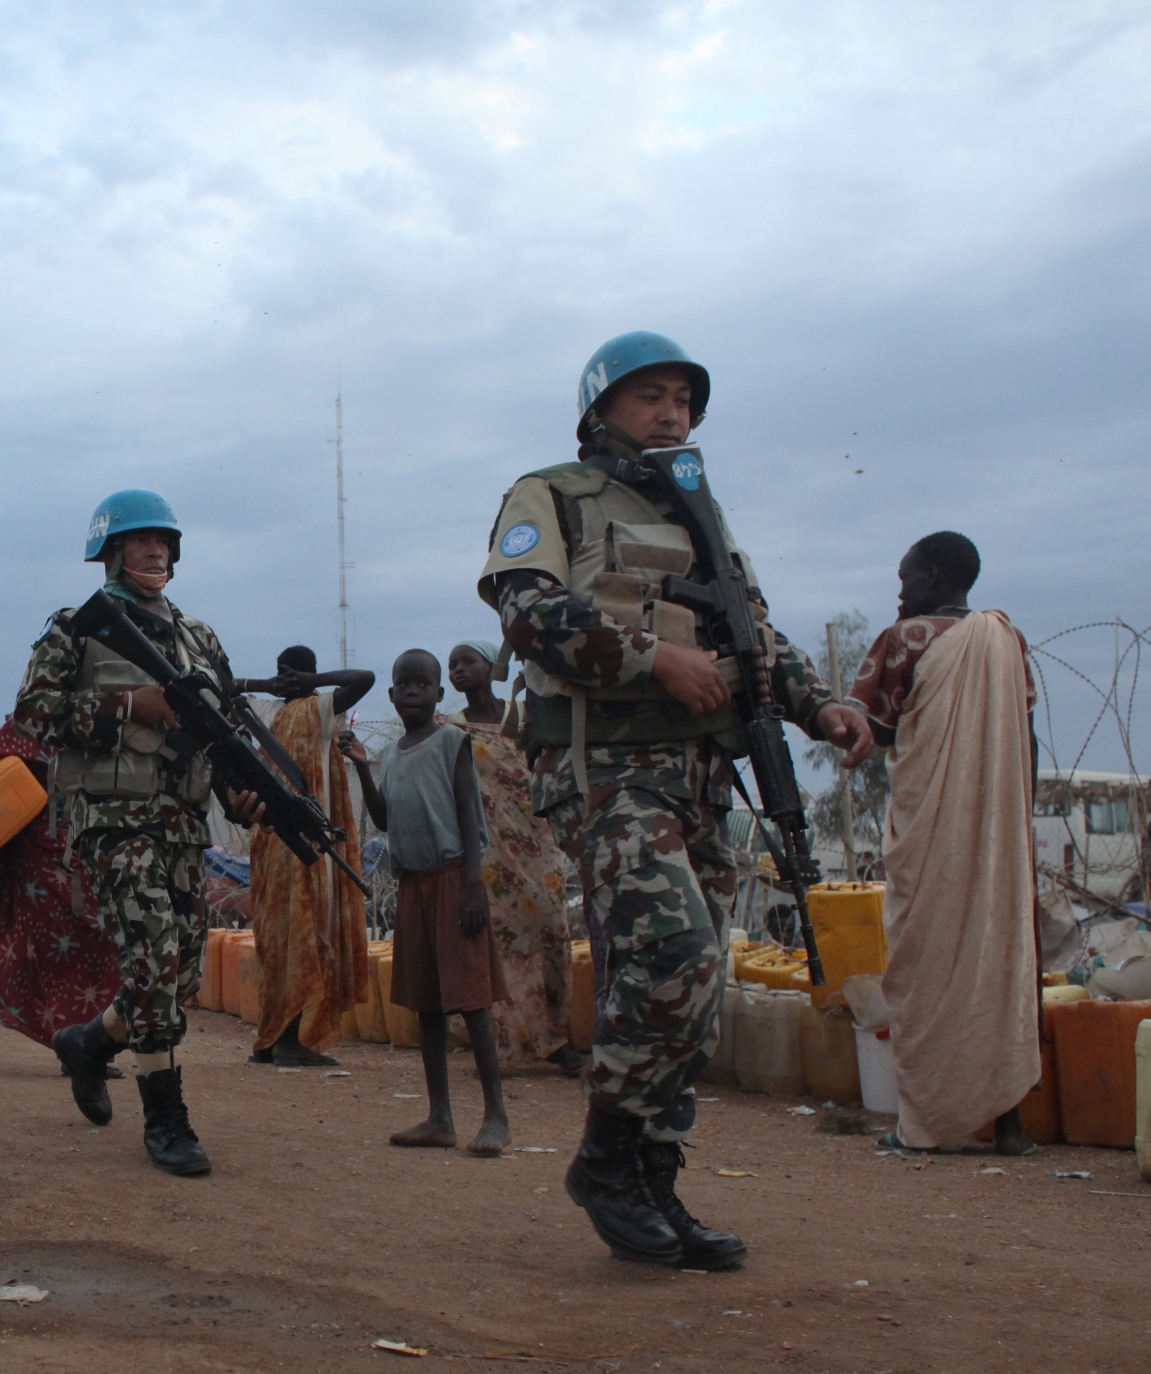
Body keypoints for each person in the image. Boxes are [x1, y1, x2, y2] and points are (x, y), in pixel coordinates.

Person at [478, 331, 872, 1269]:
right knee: (674, 951)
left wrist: (822, 706)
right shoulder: (551, 496)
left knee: (695, 990)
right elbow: (527, 612)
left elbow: (753, 630)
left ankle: (654, 1177)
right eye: (651, 397)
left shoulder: (702, 513)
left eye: (684, 401)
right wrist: (659, 659)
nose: (673, 415)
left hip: (701, 777)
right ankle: (606, 1162)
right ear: (600, 412)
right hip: (607, 769)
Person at [16, 489, 261, 1178]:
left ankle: (90, 1043)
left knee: (177, 972)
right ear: (110, 552)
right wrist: (130, 706)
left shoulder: (200, 638)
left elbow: (220, 735)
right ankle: (166, 1117)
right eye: (139, 541)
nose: (155, 552)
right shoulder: (78, 627)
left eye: (164, 542)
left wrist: (239, 792)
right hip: (113, 821)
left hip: (182, 824)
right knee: (152, 955)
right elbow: (34, 714)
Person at [850, 532, 1040, 1156]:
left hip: (930, 832)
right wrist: (1014, 813)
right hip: (999, 830)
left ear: (932, 574)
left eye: (905, 575)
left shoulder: (904, 640)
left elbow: (872, 733)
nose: (899, 588)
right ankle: (1009, 1128)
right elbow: (1025, 735)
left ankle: (922, 1122)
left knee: (925, 963)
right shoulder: (1004, 640)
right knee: (998, 957)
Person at [343, 651, 512, 1155]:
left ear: (440, 694)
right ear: (392, 695)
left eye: (423, 683)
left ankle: (496, 1116)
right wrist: (363, 770)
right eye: (404, 684)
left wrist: (472, 885)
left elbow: (467, 814)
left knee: (473, 1001)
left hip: (453, 880)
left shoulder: (451, 742)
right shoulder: (391, 754)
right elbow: (386, 820)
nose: (413, 691)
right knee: (427, 1006)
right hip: (413, 885)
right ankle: (440, 1116)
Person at [0, 721, 122, 1057]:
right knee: (80, 940)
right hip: (43, 850)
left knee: (65, 945)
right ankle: (77, 1043)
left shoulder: (99, 719)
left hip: (83, 847)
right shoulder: (41, 716)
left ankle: (71, 1041)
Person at [443, 641, 583, 1075]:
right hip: (484, 851)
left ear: (492, 665)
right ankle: (504, 1042)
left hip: (537, 842)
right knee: (495, 944)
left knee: (549, 933)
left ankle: (554, 1038)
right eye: (453, 665)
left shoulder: (524, 717)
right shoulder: (449, 729)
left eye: (469, 661)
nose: (459, 670)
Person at [239, 647, 374, 1068]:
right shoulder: (267, 707)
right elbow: (220, 689)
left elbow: (364, 678)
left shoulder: (319, 705)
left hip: (287, 844)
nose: (287, 680)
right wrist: (268, 685)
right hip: (292, 848)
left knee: (283, 938)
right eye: (282, 674)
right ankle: (286, 1041)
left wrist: (306, 684)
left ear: (311, 677)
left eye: (294, 675)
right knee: (297, 935)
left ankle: (271, 1037)